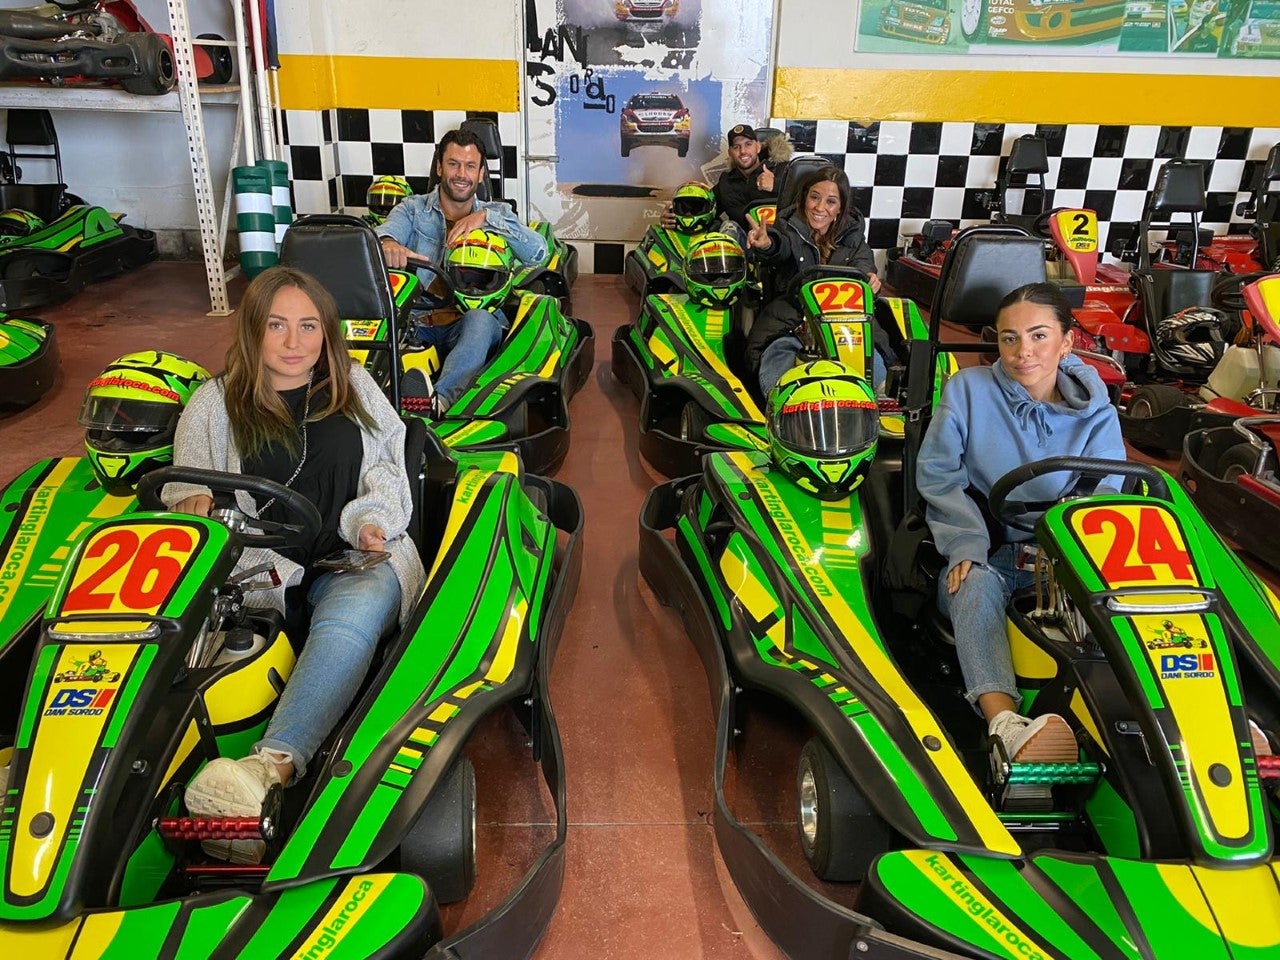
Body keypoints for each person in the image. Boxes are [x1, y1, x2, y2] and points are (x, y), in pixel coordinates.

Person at [165, 265, 426, 863]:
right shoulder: (212, 403)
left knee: (353, 613)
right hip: (253, 569)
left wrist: (371, 520)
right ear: (253, 330)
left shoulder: (353, 384)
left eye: (308, 326)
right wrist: (194, 506)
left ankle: (268, 768)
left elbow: (391, 460)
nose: (293, 342)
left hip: (352, 555)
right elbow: (186, 490)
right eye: (277, 325)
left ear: (326, 332)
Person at [915, 282, 1124, 762]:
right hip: (991, 549)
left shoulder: (1096, 409)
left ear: (1067, 341)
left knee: (1125, 602)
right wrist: (965, 544)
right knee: (974, 586)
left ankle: (1175, 717)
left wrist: (1070, 548)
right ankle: (1006, 726)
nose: (1022, 352)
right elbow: (939, 476)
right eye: (1009, 338)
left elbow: (1107, 489)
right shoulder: (967, 390)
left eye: (1038, 336)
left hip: (1067, 552)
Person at [376, 127, 547, 414]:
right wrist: (389, 244)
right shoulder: (413, 210)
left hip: (468, 322)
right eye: (453, 164)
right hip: (414, 322)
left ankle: (438, 402)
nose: (461, 174)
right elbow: (384, 235)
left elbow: (539, 253)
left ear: (481, 174)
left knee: (480, 321)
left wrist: (487, 218)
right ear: (440, 167)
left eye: (470, 166)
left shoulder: (497, 213)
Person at [744, 164, 883, 398]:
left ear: (840, 208)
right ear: (804, 199)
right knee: (779, 365)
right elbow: (780, 247)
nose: (820, 208)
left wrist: (869, 281)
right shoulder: (787, 227)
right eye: (815, 198)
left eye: (830, 201)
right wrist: (767, 245)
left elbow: (864, 264)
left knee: (875, 367)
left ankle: (874, 408)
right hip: (792, 322)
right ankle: (783, 408)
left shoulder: (854, 238)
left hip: (845, 327)